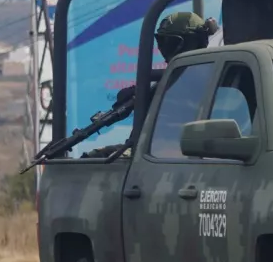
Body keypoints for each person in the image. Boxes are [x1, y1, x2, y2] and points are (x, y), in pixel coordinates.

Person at [79, 11, 216, 158]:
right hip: (150, 153)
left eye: (170, 43)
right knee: (94, 157)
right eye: (161, 42)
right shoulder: (165, 81)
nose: (164, 48)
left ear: (194, 42)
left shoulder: (210, 77)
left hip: (179, 156)